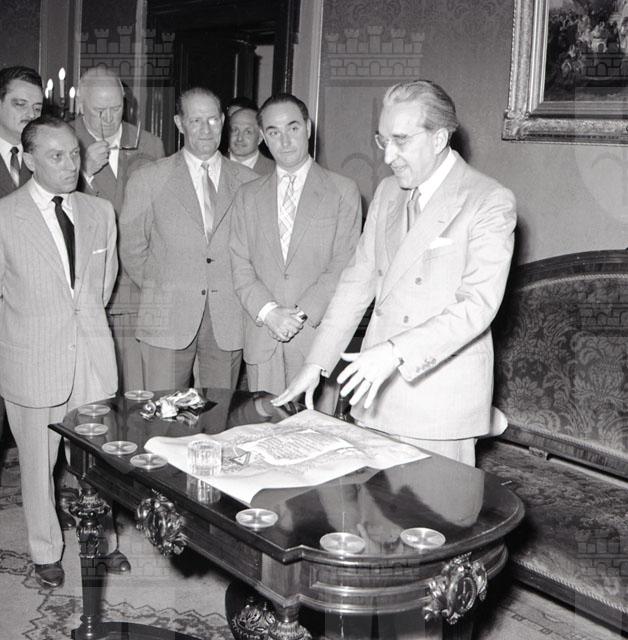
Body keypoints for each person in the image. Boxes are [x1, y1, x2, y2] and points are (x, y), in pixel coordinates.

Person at [273, 80, 516, 465]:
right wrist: (315, 364)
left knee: (435, 505)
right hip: (376, 394)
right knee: (373, 502)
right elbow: (356, 284)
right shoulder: (388, 192)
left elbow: (476, 307)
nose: (388, 156)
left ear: (439, 138)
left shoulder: (487, 200)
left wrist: (395, 352)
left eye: (401, 141)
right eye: (383, 140)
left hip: (437, 402)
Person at [0, 115, 118, 588]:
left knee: (99, 461)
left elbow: (102, 286)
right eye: (56, 156)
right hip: (32, 360)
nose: (71, 164)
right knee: (37, 465)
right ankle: (46, 550)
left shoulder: (99, 211)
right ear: (29, 160)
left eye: (74, 153)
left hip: (91, 356)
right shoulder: (5, 216)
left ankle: (103, 542)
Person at [229, 93, 362, 413]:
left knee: (316, 435)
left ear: (308, 128)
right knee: (265, 431)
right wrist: (270, 312)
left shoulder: (342, 190)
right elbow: (239, 263)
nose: (285, 140)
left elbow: (344, 264)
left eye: (293, 128)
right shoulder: (247, 195)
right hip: (264, 337)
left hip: (316, 340)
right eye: (274, 132)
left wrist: (299, 315)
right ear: (263, 138)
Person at [119, 87, 257, 391]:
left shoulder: (250, 183)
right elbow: (131, 249)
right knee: (162, 413)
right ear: (179, 123)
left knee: (218, 413)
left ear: (223, 121)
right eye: (196, 121)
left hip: (227, 320)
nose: (206, 129)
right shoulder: (148, 179)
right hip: (166, 319)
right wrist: (165, 287)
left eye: (213, 120)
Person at [73, 66, 165, 392]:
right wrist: (83, 173)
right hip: (86, 288)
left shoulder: (150, 144)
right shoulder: (63, 140)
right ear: (80, 105)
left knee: (137, 389)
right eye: (99, 111)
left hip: (137, 290)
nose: (110, 119)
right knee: (91, 392)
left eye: (116, 108)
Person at [0, 66, 44, 446]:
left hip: (31, 313)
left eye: (37, 108)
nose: (30, 114)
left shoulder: (48, 160)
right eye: (19, 104)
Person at [228, 107, 274, 175]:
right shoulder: (214, 166)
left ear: (260, 137)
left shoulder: (274, 172)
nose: (239, 138)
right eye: (235, 130)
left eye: (248, 132)